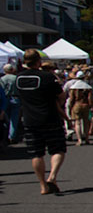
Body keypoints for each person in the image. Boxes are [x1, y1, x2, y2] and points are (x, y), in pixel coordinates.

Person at [15, 49, 67, 195]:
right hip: (50, 117)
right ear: (39, 61)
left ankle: (43, 185)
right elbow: (61, 94)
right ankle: (53, 176)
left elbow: (17, 96)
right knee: (58, 149)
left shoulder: (18, 78)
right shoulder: (46, 77)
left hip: (30, 119)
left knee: (36, 154)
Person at [0, 63, 21, 143]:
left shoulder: (2, 79)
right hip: (15, 98)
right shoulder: (16, 78)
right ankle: (11, 136)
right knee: (14, 119)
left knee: (5, 118)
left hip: (5, 98)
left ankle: (5, 135)